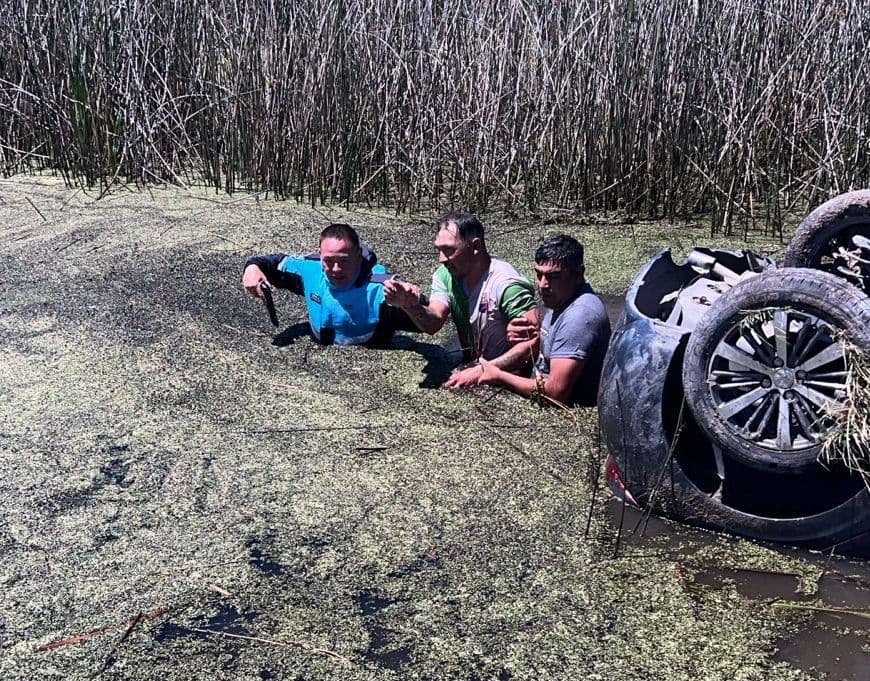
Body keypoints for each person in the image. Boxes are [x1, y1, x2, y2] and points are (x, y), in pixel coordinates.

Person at [383, 212, 539, 388]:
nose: (441, 259)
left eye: (449, 250)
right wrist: (411, 305)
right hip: (472, 365)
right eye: (439, 250)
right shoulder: (445, 275)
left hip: (511, 375)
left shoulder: (506, 285)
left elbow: (535, 341)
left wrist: (484, 370)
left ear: (475, 246)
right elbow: (433, 322)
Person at [478, 234, 611, 406]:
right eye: (539, 275)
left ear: (578, 274)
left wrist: (499, 376)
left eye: (553, 276)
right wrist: (515, 338)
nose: (542, 285)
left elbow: (556, 394)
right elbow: (540, 348)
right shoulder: (561, 299)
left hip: (566, 413)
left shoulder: (579, 315)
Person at [241, 223, 417, 346]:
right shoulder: (310, 270)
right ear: (320, 255)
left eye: (344, 261)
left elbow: (429, 319)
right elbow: (270, 262)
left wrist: (412, 304)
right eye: (329, 261)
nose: (336, 269)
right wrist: (251, 268)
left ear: (358, 254)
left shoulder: (380, 286)